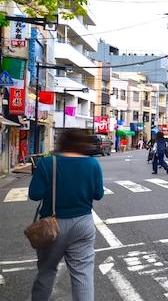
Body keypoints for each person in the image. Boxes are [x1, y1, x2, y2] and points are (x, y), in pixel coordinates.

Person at [28, 128, 104, 301]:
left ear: (61, 143)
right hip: (84, 223)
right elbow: (98, 194)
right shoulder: (93, 164)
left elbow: (35, 194)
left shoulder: (48, 163)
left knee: (47, 271)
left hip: (53, 225)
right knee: (83, 274)